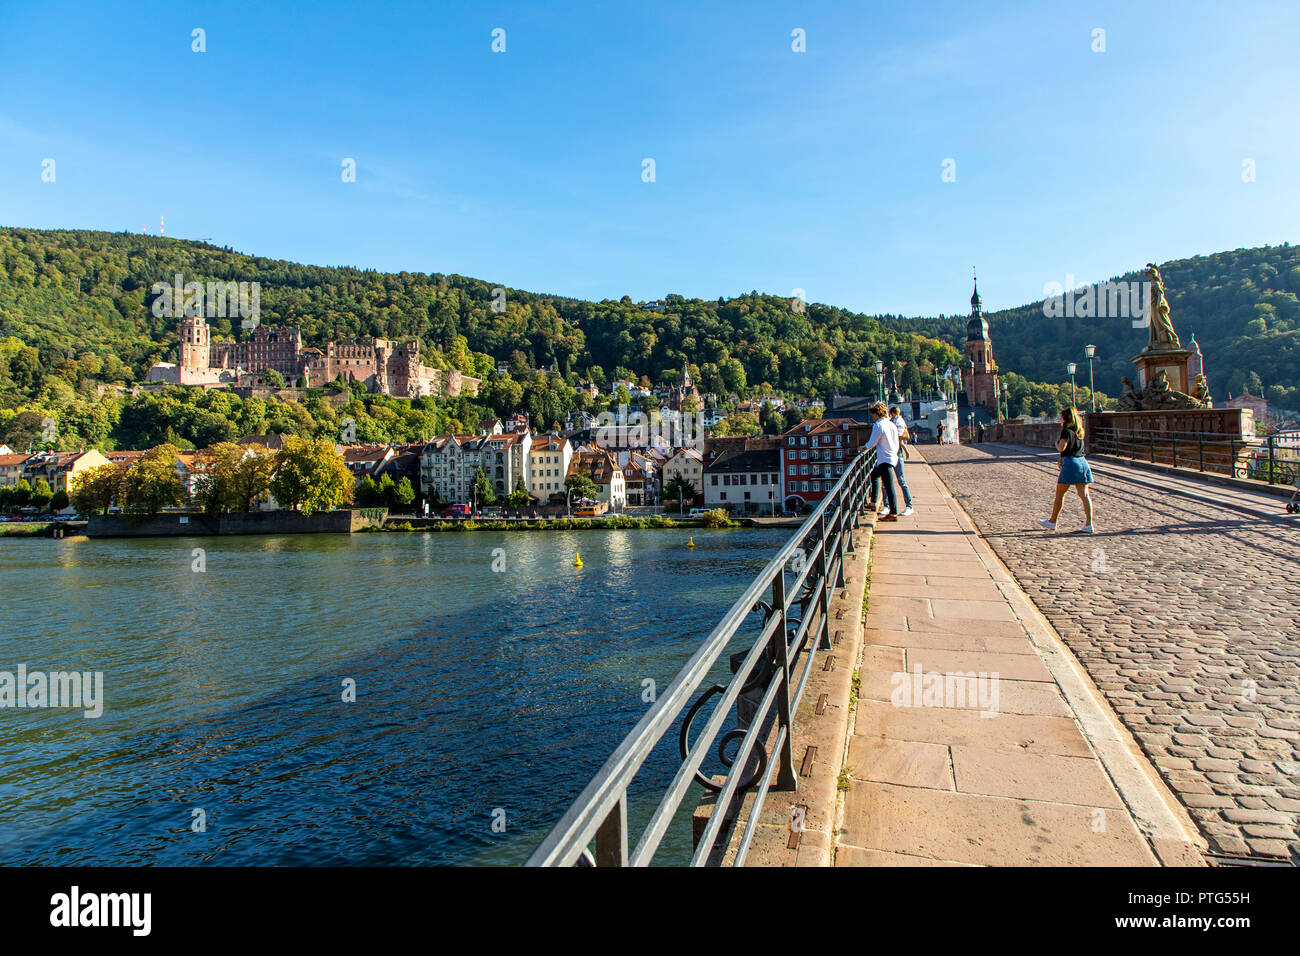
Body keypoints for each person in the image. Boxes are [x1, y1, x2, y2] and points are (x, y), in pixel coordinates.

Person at [1038, 407, 1095, 533]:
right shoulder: (1080, 431)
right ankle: (1088, 524)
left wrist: (1057, 444)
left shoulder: (1066, 431)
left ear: (1065, 418)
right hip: (1082, 462)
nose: (1060, 420)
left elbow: (1062, 447)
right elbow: (1075, 449)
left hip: (1071, 464)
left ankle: (1052, 521)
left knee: (1060, 495)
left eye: (1061, 417)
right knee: (1085, 495)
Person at [864, 401, 900, 522]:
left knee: (889, 486)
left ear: (877, 413)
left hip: (884, 458)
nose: (872, 417)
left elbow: (872, 443)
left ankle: (893, 513)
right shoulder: (891, 424)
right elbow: (896, 442)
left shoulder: (878, 425)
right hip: (891, 456)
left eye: (873, 414)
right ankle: (874, 502)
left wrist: (862, 447)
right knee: (874, 475)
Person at [888, 405, 915, 516]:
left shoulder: (898, 422)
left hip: (896, 453)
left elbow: (899, 437)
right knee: (887, 483)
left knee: (901, 480)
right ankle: (887, 506)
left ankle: (909, 505)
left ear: (893, 413)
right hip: (892, 453)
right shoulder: (895, 421)